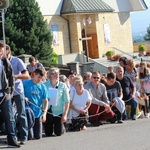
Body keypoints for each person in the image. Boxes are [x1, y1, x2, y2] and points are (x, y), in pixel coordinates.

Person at [6, 44, 30, 144]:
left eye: (6, 55)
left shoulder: (17, 61)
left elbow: (27, 75)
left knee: (21, 113)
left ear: (9, 52)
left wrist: (14, 76)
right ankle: (13, 137)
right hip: (6, 92)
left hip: (17, 91)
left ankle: (24, 136)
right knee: (9, 115)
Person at [0, 42, 20, 147]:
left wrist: (11, 91)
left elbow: (11, 77)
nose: (1, 52)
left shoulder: (5, 62)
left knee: (10, 117)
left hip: (4, 94)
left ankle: (12, 139)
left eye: (2, 51)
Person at [23, 68, 48, 140]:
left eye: (41, 78)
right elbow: (19, 93)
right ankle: (21, 132)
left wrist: (44, 114)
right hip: (28, 113)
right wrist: (23, 97)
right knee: (30, 136)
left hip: (38, 113)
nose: (40, 79)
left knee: (38, 136)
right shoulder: (25, 83)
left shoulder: (42, 86)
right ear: (34, 74)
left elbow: (45, 101)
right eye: (38, 77)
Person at [44, 68, 70, 136]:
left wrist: (65, 115)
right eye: (53, 73)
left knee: (58, 133)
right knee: (48, 133)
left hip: (58, 111)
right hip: (48, 110)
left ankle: (62, 126)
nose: (56, 75)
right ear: (49, 76)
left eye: (57, 73)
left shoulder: (62, 85)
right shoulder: (44, 85)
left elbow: (67, 101)